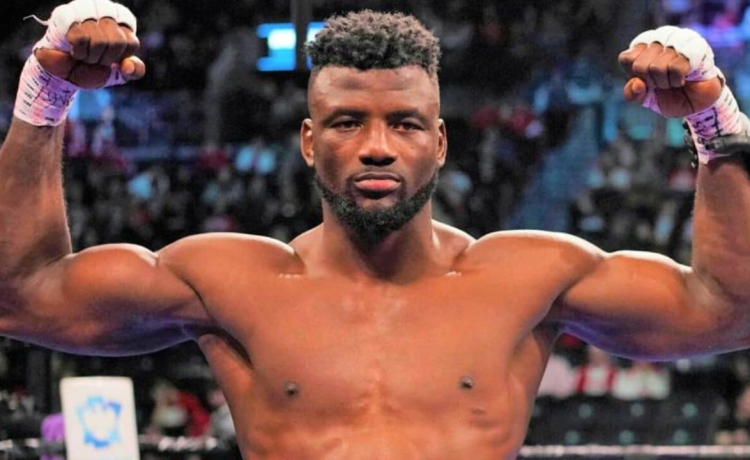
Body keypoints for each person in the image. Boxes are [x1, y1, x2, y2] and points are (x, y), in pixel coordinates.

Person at [1, 1, 750, 458]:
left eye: (406, 123)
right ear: (308, 141)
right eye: (347, 122)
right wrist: (46, 92)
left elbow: (728, 311)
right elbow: (22, 297)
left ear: (441, 142)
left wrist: (715, 126)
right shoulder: (228, 283)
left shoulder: (529, 278)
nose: (377, 146)